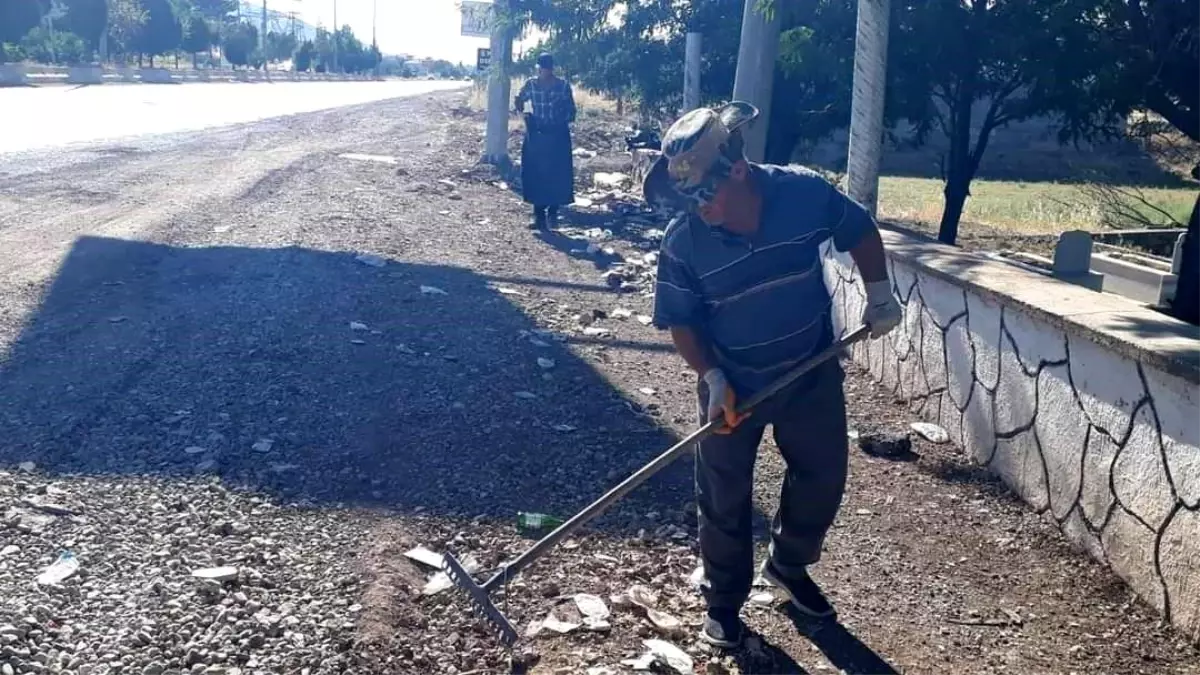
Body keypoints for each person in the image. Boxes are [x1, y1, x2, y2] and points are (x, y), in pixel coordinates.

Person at [642, 101, 902, 648]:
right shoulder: (684, 240)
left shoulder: (803, 194)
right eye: (687, 199)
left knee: (822, 477)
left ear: (736, 168)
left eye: (705, 194)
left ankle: (788, 565)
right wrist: (712, 377)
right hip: (732, 383)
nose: (699, 209)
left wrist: (879, 292)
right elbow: (682, 322)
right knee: (723, 494)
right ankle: (723, 600)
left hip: (809, 368)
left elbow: (858, 228)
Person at [514, 53, 577, 230]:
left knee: (558, 175)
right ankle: (539, 216)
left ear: (552, 68)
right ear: (538, 68)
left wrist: (560, 118)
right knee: (535, 174)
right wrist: (526, 114)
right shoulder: (531, 84)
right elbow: (519, 100)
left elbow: (571, 111)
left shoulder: (563, 86)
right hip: (537, 134)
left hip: (557, 134)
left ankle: (553, 213)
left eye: (547, 68)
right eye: (542, 68)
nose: (544, 71)